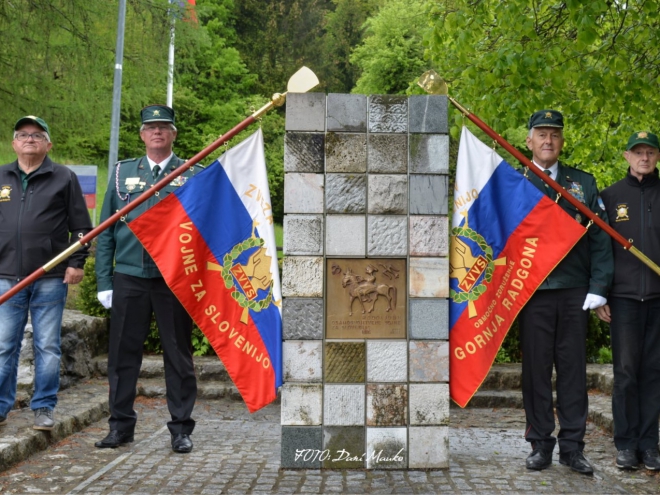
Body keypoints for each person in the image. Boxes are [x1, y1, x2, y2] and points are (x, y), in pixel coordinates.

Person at [95, 105, 200, 453]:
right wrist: (104, 281)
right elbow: (106, 230)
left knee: (178, 357)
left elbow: (202, 233)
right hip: (129, 276)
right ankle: (120, 427)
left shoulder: (191, 172)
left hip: (173, 279)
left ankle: (181, 430)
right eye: (151, 127)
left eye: (164, 127)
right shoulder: (123, 171)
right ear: (142, 134)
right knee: (123, 358)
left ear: (173, 134)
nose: (157, 132)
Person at [519, 110, 613, 474]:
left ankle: (573, 447)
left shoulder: (582, 184)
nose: (547, 140)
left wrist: (600, 287)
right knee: (536, 372)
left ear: (561, 142)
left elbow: (601, 238)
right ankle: (541, 443)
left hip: (575, 291)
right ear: (529, 141)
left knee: (573, 371)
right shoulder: (515, 182)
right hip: (532, 293)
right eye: (541, 134)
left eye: (554, 135)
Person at [0, 116, 92, 430]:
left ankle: (43, 407)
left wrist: (76, 263)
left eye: (37, 135)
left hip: (50, 278)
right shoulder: (1, 177)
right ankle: (1, 407)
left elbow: (82, 228)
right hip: (6, 277)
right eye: (23, 135)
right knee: (3, 346)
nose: (29, 139)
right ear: (14, 143)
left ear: (48, 144)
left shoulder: (64, 177)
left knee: (47, 346)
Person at [596, 131, 660, 471]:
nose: (644, 158)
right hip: (622, 300)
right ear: (627, 156)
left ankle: (649, 446)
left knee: (653, 372)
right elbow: (600, 252)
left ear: (657, 157)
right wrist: (601, 293)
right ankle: (625, 443)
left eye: (650, 152)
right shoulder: (609, 197)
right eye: (638, 152)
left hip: (658, 300)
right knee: (625, 374)